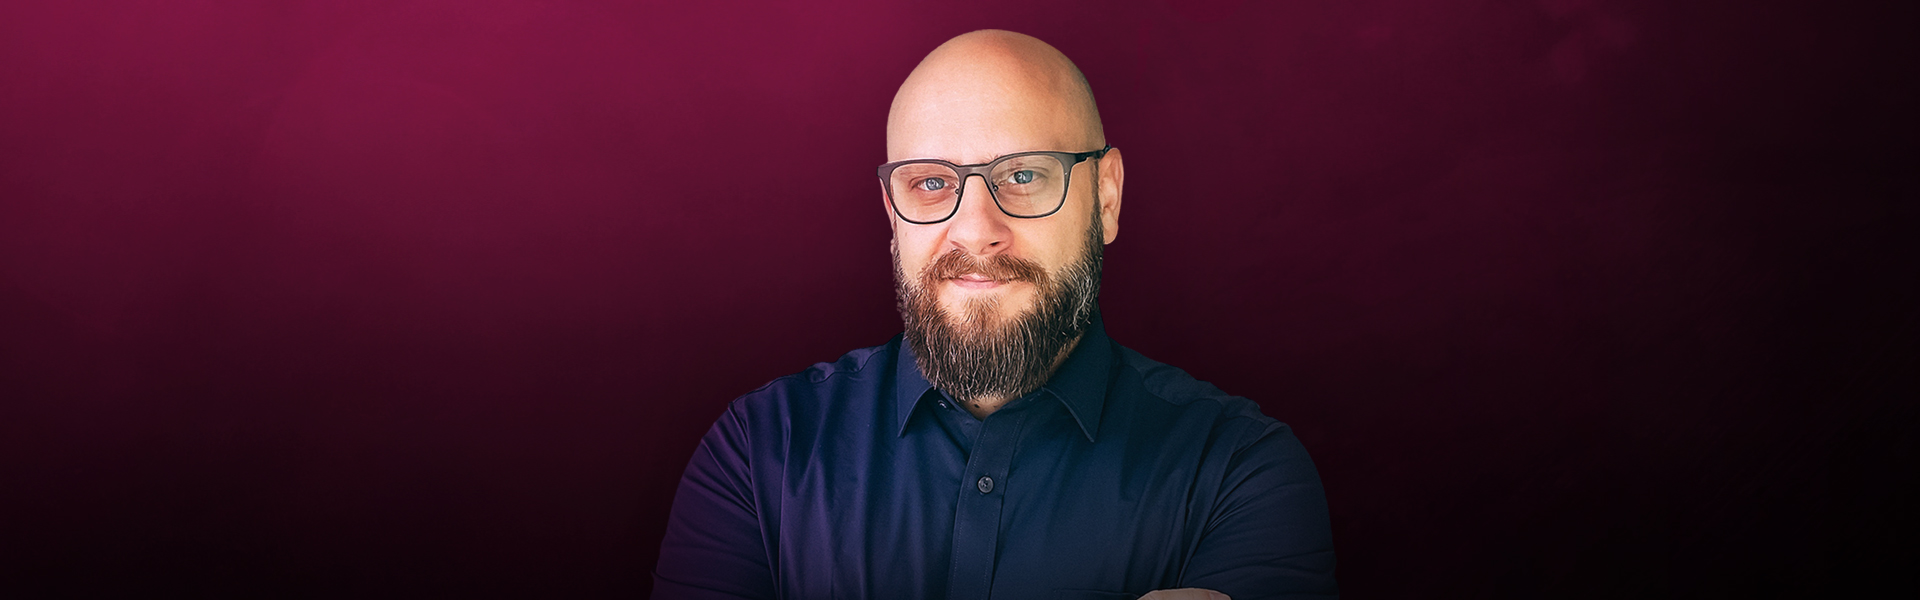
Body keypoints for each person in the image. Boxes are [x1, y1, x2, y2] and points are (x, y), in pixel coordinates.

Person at [652, 30, 1336, 600]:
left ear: (1105, 198)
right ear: (892, 215)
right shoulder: (758, 456)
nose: (976, 231)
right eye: (931, 182)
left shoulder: (1240, 475)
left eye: (1024, 175)